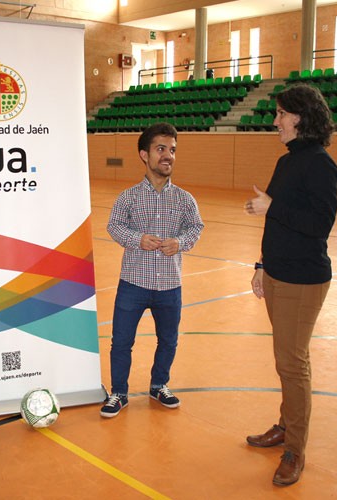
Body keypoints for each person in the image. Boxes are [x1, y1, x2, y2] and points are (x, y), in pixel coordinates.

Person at [243, 84, 337, 486]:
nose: (275, 121)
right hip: (279, 273)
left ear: (301, 117)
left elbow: (319, 225)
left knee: (292, 362)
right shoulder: (288, 162)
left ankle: (295, 449)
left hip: (304, 279)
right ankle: (285, 425)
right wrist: (262, 265)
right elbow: (276, 219)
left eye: (281, 114)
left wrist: (273, 205)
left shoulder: (321, 164)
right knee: (285, 359)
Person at [100, 122, 204, 418]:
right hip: (133, 282)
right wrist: (137, 239)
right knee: (121, 341)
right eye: (161, 149)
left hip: (170, 284)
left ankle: (159, 385)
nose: (168, 155)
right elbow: (114, 226)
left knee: (168, 340)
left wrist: (180, 242)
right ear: (144, 155)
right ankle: (119, 393)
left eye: (172, 150)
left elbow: (196, 227)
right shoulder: (128, 197)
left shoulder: (185, 199)